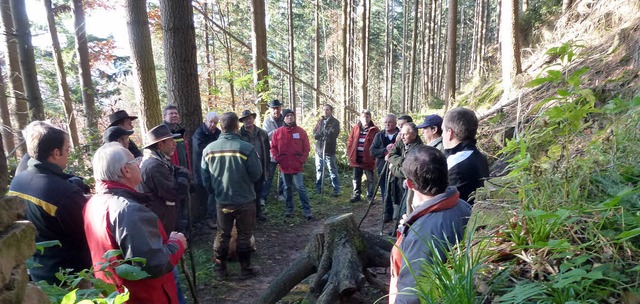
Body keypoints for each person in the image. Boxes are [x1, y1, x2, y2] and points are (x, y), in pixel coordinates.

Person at [84, 143, 187, 304]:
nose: (140, 164)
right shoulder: (129, 210)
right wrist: (177, 243)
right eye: (135, 161)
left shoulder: (93, 204)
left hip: (115, 294)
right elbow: (154, 263)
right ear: (126, 170)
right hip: (144, 296)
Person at [8, 121, 91, 284]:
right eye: (67, 149)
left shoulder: (18, 181)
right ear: (55, 153)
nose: (68, 153)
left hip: (37, 271)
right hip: (69, 278)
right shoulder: (64, 193)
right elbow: (88, 233)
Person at [389, 145, 471, 304]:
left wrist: (415, 229)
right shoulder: (464, 206)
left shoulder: (421, 235)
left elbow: (411, 296)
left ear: (410, 184)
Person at [201, 112, 263, 279]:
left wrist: (216, 193)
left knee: (223, 233)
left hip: (222, 200)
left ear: (221, 127)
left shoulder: (208, 150)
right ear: (237, 126)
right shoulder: (246, 148)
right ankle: (246, 268)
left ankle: (220, 270)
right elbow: (256, 173)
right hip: (245, 200)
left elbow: (205, 178)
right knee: (244, 234)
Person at [137, 124, 190, 234]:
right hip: (160, 221)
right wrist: (184, 178)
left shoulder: (159, 160)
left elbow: (177, 169)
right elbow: (174, 193)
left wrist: (181, 173)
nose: (174, 144)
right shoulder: (154, 166)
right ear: (161, 145)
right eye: (171, 140)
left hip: (162, 218)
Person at [270, 109, 313, 219]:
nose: (290, 118)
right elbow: (273, 147)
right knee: (286, 188)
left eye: (291, 116)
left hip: (296, 165)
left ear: (294, 117)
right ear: (284, 118)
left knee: (300, 187)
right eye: (287, 116)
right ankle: (289, 209)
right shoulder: (278, 132)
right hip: (284, 166)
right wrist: (277, 158)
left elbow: (306, 148)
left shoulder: (301, 132)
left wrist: (301, 160)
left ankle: (307, 210)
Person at [442, 107, 490, 204]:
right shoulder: (481, 157)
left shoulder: (454, 163)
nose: (442, 135)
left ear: (450, 133)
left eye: (443, 131)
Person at [239, 109, 270, 222]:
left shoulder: (262, 133)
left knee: (258, 190)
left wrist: (267, 168)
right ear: (242, 121)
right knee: (247, 192)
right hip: (245, 169)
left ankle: (258, 213)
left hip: (260, 166)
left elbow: (266, 151)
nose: (248, 121)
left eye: (250, 118)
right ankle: (248, 215)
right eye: (245, 119)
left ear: (253, 119)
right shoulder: (239, 134)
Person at [191, 112, 221, 229]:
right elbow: (201, 150)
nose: (213, 124)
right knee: (206, 193)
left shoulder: (218, 133)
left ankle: (213, 216)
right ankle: (208, 217)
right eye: (211, 122)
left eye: (215, 122)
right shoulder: (199, 133)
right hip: (201, 168)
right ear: (206, 121)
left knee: (212, 193)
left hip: (215, 169)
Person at [387, 123, 424, 218]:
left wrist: (392, 168)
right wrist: (403, 161)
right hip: (398, 183)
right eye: (401, 133)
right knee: (398, 206)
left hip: (410, 185)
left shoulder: (418, 149)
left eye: (405, 134)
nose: (402, 137)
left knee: (406, 210)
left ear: (414, 135)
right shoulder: (401, 142)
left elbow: (407, 171)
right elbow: (390, 155)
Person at [370, 114, 400, 222]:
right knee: (385, 191)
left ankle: (398, 214)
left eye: (390, 122)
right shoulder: (379, 135)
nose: (387, 124)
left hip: (397, 168)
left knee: (397, 190)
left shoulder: (401, 135)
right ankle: (387, 213)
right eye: (385, 122)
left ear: (395, 123)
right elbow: (372, 151)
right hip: (382, 167)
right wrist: (385, 150)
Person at [347, 109, 379, 203]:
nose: (365, 119)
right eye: (363, 117)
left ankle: (370, 196)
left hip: (369, 159)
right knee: (356, 178)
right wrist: (350, 153)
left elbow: (378, 144)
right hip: (356, 158)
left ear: (370, 118)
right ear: (360, 118)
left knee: (370, 179)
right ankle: (356, 195)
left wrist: (374, 157)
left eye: (367, 117)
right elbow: (350, 141)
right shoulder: (355, 128)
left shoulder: (375, 129)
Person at [260, 99, 286, 205]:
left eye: (278, 108)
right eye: (274, 108)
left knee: (283, 175)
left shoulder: (285, 119)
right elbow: (266, 135)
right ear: (270, 109)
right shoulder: (267, 121)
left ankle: (280, 194)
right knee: (268, 175)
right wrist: (278, 131)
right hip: (272, 152)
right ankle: (263, 197)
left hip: (284, 152)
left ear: (280, 108)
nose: (276, 110)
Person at [313, 104, 340, 196]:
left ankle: (336, 189)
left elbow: (332, 134)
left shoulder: (335, 122)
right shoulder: (320, 122)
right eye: (324, 109)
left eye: (327, 110)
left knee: (332, 169)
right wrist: (322, 133)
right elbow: (315, 134)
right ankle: (318, 188)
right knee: (319, 169)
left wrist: (323, 134)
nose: (325, 111)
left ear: (331, 111)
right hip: (319, 150)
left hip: (329, 150)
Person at [163, 105, 190, 171]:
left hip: (184, 168)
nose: (174, 115)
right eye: (171, 113)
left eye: (176, 113)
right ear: (164, 117)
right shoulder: (163, 132)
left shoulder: (181, 131)